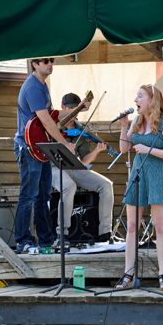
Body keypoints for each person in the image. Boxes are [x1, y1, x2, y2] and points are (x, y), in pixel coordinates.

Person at [13, 58, 88, 253]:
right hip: (29, 148)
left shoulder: (43, 86)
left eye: (51, 61)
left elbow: (53, 115)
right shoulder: (33, 87)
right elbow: (46, 121)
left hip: (40, 147)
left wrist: (77, 109)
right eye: (45, 61)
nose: (50, 64)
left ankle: (46, 239)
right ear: (35, 64)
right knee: (28, 196)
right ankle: (23, 241)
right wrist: (64, 144)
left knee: (43, 196)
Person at [117, 84, 163, 291]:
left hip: (158, 175)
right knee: (132, 226)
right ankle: (128, 272)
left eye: (140, 96)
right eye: (136, 95)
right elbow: (124, 148)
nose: (136, 99)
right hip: (138, 173)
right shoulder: (136, 120)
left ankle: (162, 274)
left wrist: (149, 150)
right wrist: (124, 126)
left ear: (152, 100)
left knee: (160, 226)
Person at [51, 92, 115, 245]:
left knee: (106, 185)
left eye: (76, 110)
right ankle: (63, 234)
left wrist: (97, 151)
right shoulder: (53, 125)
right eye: (70, 109)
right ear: (62, 108)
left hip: (75, 167)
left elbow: (85, 160)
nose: (73, 113)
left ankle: (105, 232)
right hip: (54, 166)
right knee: (68, 186)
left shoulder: (82, 129)